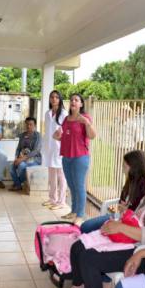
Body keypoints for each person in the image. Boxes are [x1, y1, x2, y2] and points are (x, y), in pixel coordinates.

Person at [70, 155, 145, 288]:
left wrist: (119, 227)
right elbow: (135, 218)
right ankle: (79, 286)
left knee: (88, 259)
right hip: (130, 242)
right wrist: (117, 224)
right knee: (78, 246)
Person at [80, 150, 145, 233]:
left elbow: (142, 210)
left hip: (131, 222)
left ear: (134, 166)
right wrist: (122, 206)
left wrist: (127, 209)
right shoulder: (131, 180)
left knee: (86, 228)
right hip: (120, 216)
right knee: (85, 226)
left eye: (125, 166)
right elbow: (122, 199)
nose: (123, 170)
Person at [53, 93, 96, 225]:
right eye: (71, 100)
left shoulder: (85, 118)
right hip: (67, 156)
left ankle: (80, 215)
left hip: (80, 157)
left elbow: (92, 136)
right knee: (71, 186)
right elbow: (65, 137)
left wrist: (87, 124)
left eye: (76, 100)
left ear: (81, 104)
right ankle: (74, 211)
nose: (73, 102)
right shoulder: (66, 119)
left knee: (79, 186)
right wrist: (57, 136)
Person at [79, 209, 145, 253]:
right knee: (85, 226)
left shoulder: (135, 221)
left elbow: (127, 216)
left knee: (86, 228)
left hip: (119, 225)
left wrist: (126, 212)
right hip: (119, 219)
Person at [41, 90, 68, 210]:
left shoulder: (64, 113)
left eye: (57, 97)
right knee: (51, 174)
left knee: (61, 175)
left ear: (60, 99)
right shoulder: (47, 113)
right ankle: (52, 198)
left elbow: (66, 132)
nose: (54, 99)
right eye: (52, 97)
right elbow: (47, 131)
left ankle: (61, 202)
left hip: (59, 148)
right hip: (49, 147)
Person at [9, 117, 42, 192]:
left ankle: (17, 184)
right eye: (27, 124)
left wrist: (22, 159)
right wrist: (16, 158)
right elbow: (18, 149)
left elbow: (36, 151)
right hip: (22, 158)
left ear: (35, 125)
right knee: (11, 167)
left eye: (31, 124)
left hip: (35, 159)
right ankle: (18, 185)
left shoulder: (38, 136)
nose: (28, 126)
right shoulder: (22, 135)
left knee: (21, 166)